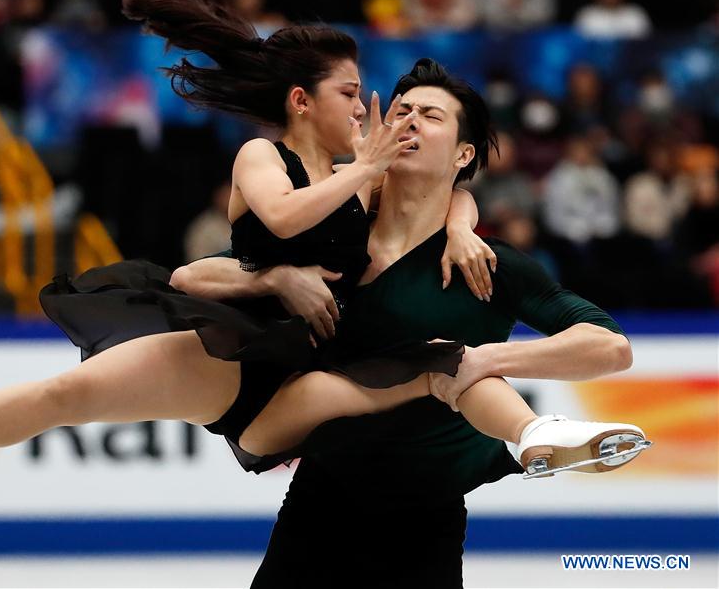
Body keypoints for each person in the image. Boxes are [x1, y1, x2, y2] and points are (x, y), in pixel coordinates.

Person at [0, 0, 488, 510]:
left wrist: (459, 224)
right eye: (348, 92)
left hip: (330, 369)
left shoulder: (360, 178)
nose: (361, 107)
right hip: (236, 353)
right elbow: (285, 220)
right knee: (68, 395)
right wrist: (362, 179)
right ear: (300, 101)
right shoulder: (265, 157)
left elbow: (445, 186)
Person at [175, 59, 645, 587]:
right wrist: (275, 279)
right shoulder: (330, 237)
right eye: (401, 111)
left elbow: (610, 346)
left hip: (428, 521)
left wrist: (477, 360)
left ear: (464, 153)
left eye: (431, 115)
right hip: (319, 506)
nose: (411, 121)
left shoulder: (488, 264)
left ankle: (537, 432)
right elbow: (192, 277)